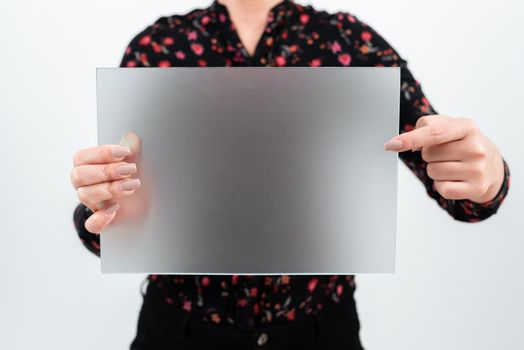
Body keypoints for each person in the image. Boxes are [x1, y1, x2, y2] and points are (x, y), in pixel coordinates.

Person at [70, 0, 511, 349]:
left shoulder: (349, 44)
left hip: (320, 332)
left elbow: (453, 177)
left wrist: (487, 174)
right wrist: (101, 212)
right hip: (179, 330)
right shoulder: (158, 48)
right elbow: (114, 214)